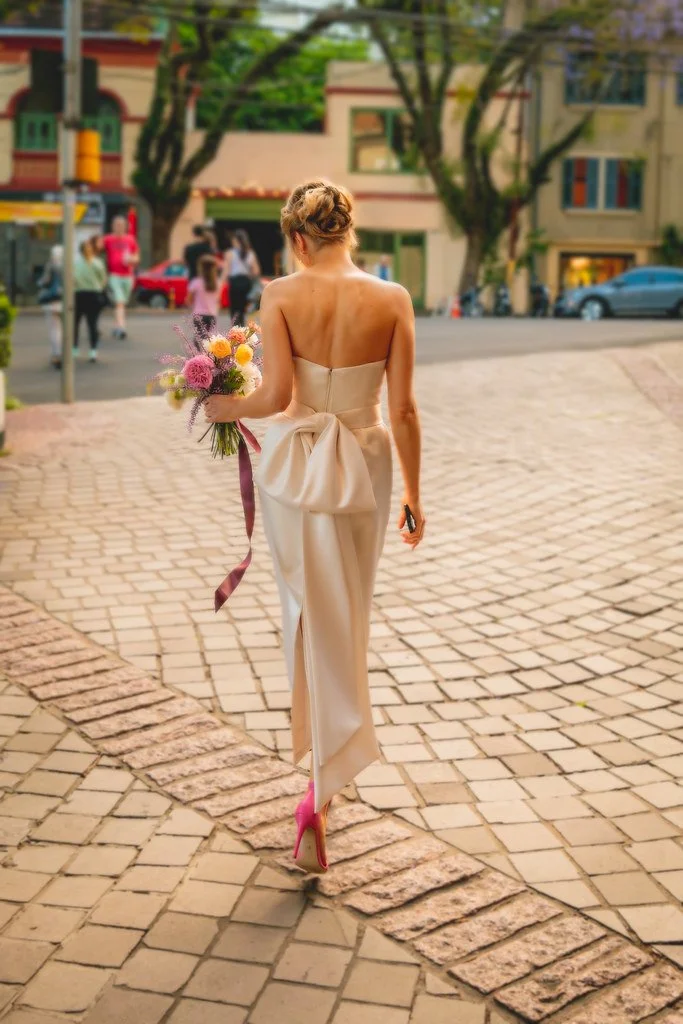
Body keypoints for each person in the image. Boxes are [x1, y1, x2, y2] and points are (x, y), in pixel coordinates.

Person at [204, 179, 425, 873]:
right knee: (349, 613)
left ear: (295, 237)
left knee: (305, 609)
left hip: (297, 470)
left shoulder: (279, 294)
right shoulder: (392, 299)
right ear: (347, 230)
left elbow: (274, 396)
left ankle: (316, 793)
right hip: (365, 461)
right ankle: (323, 788)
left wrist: (214, 406)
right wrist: (414, 496)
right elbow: (406, 410)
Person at [102, 215, 139, 340]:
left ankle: (116, 326)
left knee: (121, 304)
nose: (119, 227)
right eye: (116, 225)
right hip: (114, 275)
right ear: (112, 226)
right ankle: (122, 328)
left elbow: (137, 257)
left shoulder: (130, 240)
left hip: (127, 276)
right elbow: (98, 250)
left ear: (125, 226)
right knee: (119, 302)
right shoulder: (108, 239)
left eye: (121, 225)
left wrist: (131, 259)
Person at [74, 238, 108, 362]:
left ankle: (75, 349)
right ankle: (93, 351)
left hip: (79, 294)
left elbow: (73, 279)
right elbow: (103, 279)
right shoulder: (98, 263)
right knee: (92, 324)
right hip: (94, 294)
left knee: (75, 323)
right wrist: (98, 286)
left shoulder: (75, 263)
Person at [223, 228, 260, 327]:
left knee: (234, 310)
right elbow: (256, 271)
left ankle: (235, 331)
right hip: (246, 282)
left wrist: (221, 282)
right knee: (242, 309)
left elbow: (226, 271)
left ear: (236, 240)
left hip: (234, 283)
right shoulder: (250, 253)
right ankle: (242, 331)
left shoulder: (230, 253)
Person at [38, 245, 63, 369]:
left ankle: (56, 354)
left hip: (52, 301)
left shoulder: (51, 265)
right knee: (65, 330)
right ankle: (64, 353)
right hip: (65, 301)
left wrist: (40, 283)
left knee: (54, 329)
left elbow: (45, 281)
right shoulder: (69, 265)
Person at [187, 253, 220, 336]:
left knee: (199, 340)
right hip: (212, 315)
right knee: (209, 342)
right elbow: (218, 300)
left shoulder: (196, 282)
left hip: (199, 315)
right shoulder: (216, 283)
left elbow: (188, 300)